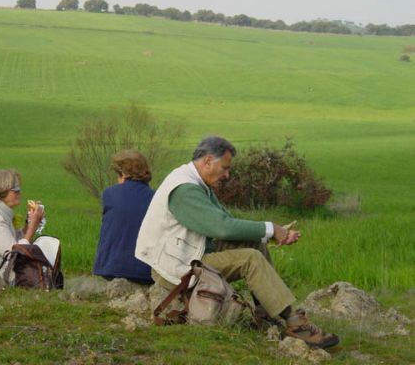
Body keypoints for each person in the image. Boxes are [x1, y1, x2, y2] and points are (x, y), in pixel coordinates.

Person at [135, 136, 339, 348]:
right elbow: (222, 228)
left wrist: (270, 234)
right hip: (175, 267)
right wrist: (270, 228)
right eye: (224, 168)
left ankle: (266, 314)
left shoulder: (196, 181)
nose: (227, 174)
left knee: (254, 246)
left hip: (188, 253)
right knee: (250, 258)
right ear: (206, 161)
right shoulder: (184, 189)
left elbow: (227, 221)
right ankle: (296, 324)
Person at [93, 150, 154, 284]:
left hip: (110, 268)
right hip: (146, 272)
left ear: (123, 174)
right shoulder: (156, 198)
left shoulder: (109, 194)